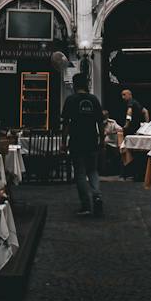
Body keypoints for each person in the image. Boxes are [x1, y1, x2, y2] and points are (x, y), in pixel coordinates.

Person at [60, 73, 106, 217]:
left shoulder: (70, 100)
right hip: (92, 140)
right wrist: (102, 140)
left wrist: (63, 142)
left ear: (75, 85)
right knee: (92, 171)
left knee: (80, 173)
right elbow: (100, 123)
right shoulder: (93, 100)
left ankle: (86, 205)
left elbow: (66, 124)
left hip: (76, 141)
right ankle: (97, 196)